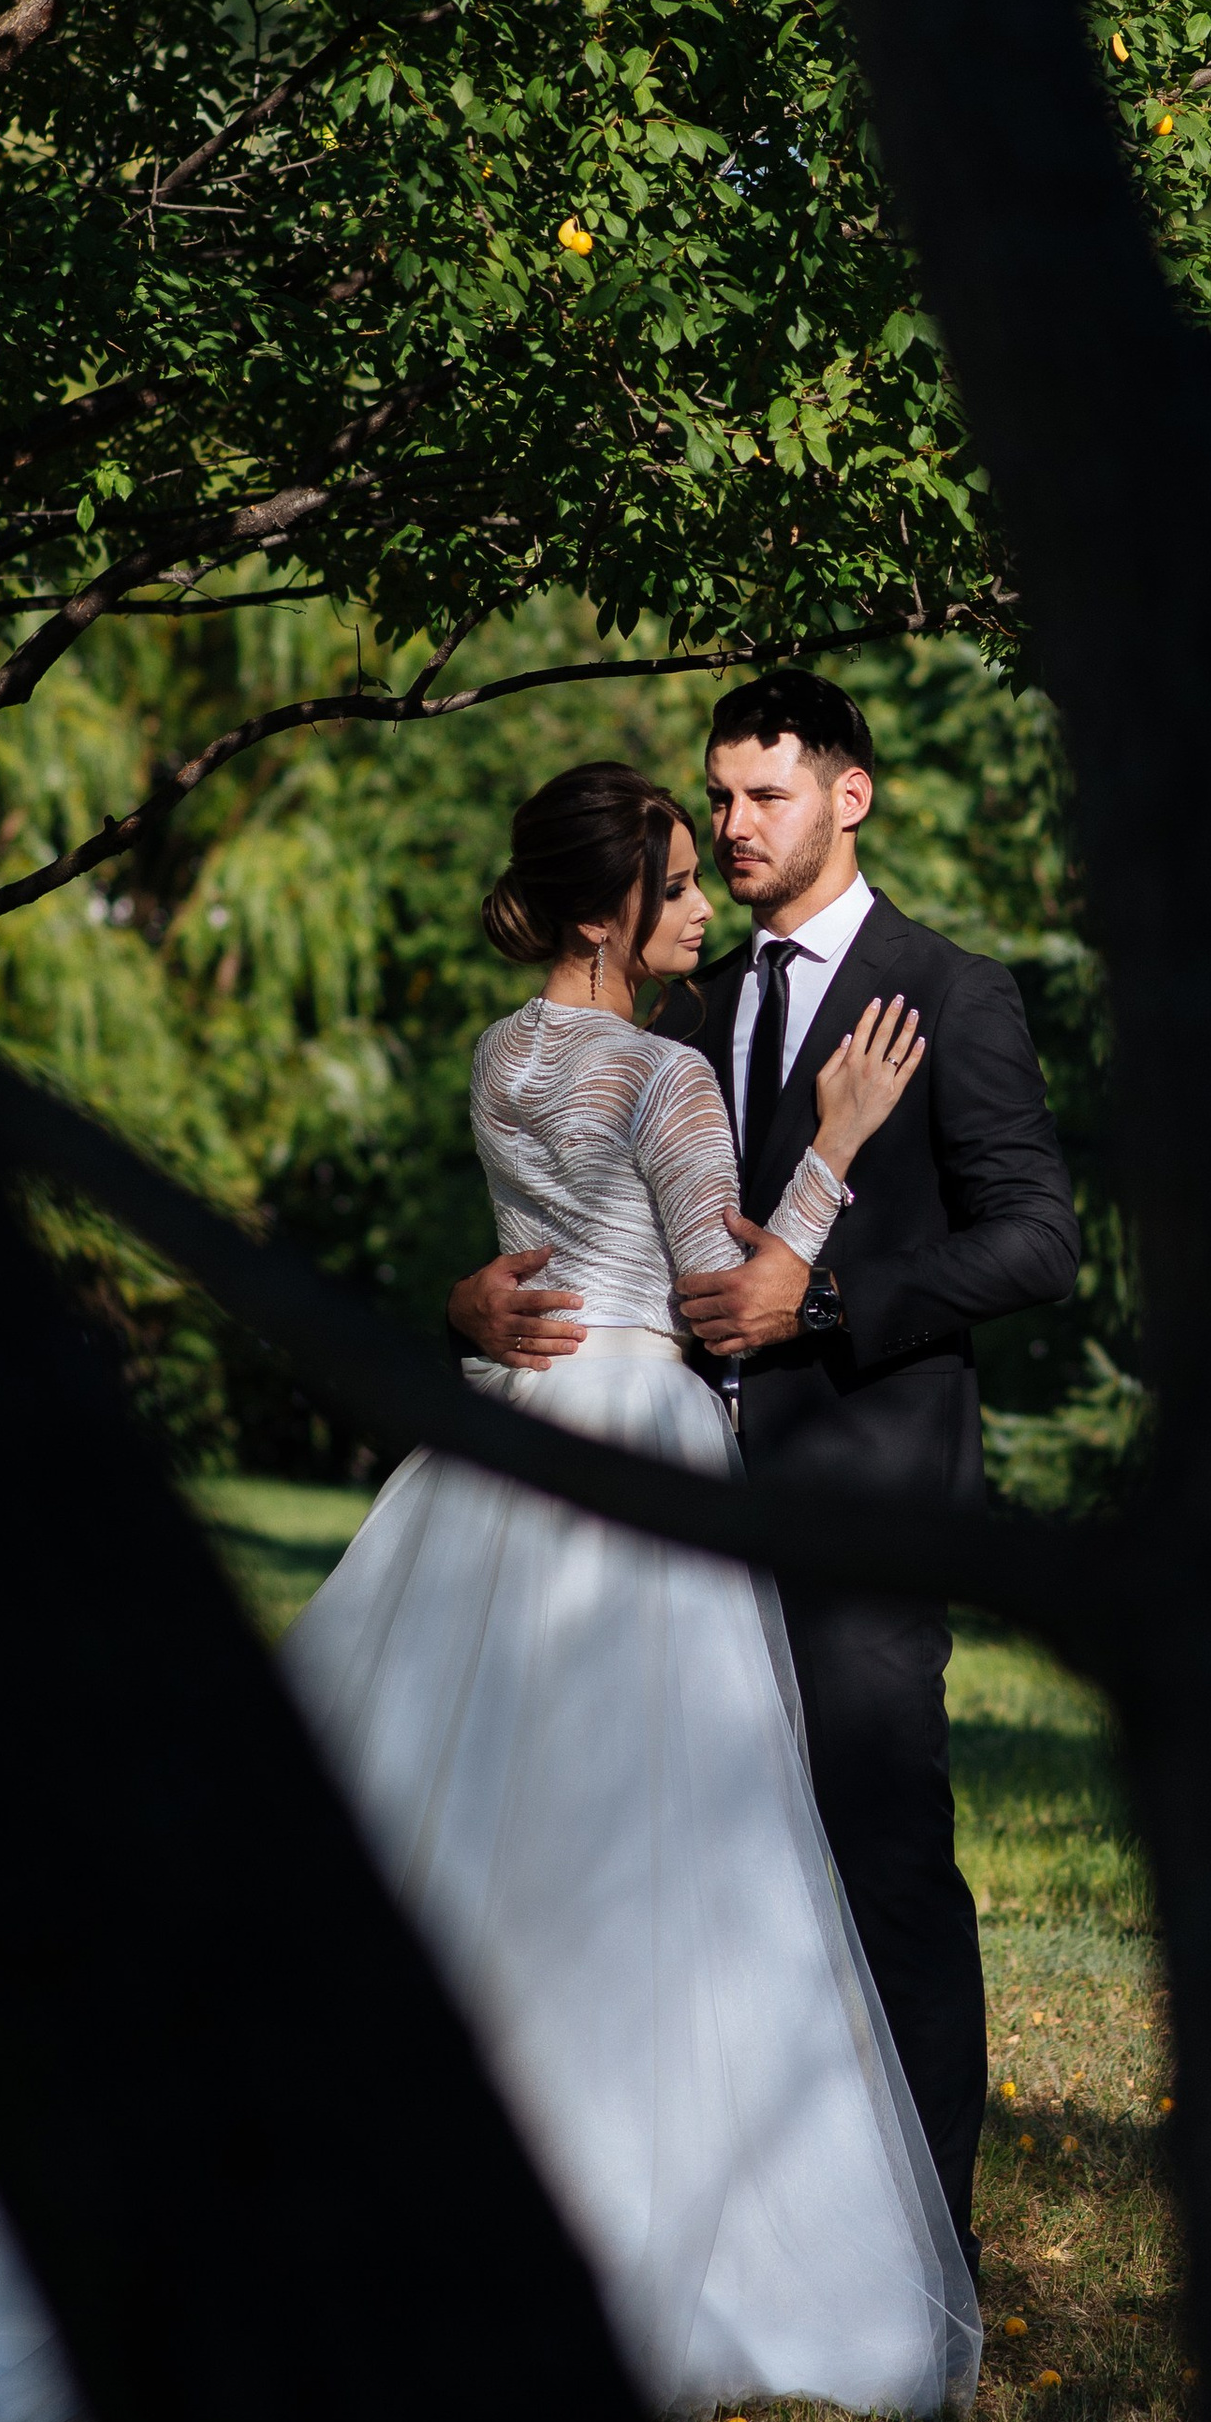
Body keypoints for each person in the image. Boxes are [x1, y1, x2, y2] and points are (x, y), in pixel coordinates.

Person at [0, 762, 980, 2422]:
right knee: (659, 1842)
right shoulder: (668, 1071)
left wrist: (473, 1317)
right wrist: (831, 1147)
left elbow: (534, 1265)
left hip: (506, 1463)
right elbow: (721, 1312)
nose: (698, 910)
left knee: (459, 1827)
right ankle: (654, 2217)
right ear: (617, 911)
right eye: (678, 885)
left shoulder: (503, 1055)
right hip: (632, 1467)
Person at [448, 675, 1081, 2267]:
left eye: (763, 797)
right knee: (696, 1871)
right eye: (716, 799)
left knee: (879, 1855)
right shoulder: (692, 1003)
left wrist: (845, 1296)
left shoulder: (953, 992)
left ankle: (921, 2249)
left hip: (857, 1491)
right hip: (662, 1496)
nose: (730, 826)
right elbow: (603, 1207)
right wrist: (479, 1296)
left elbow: (1038, 1241)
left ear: (848, 798)